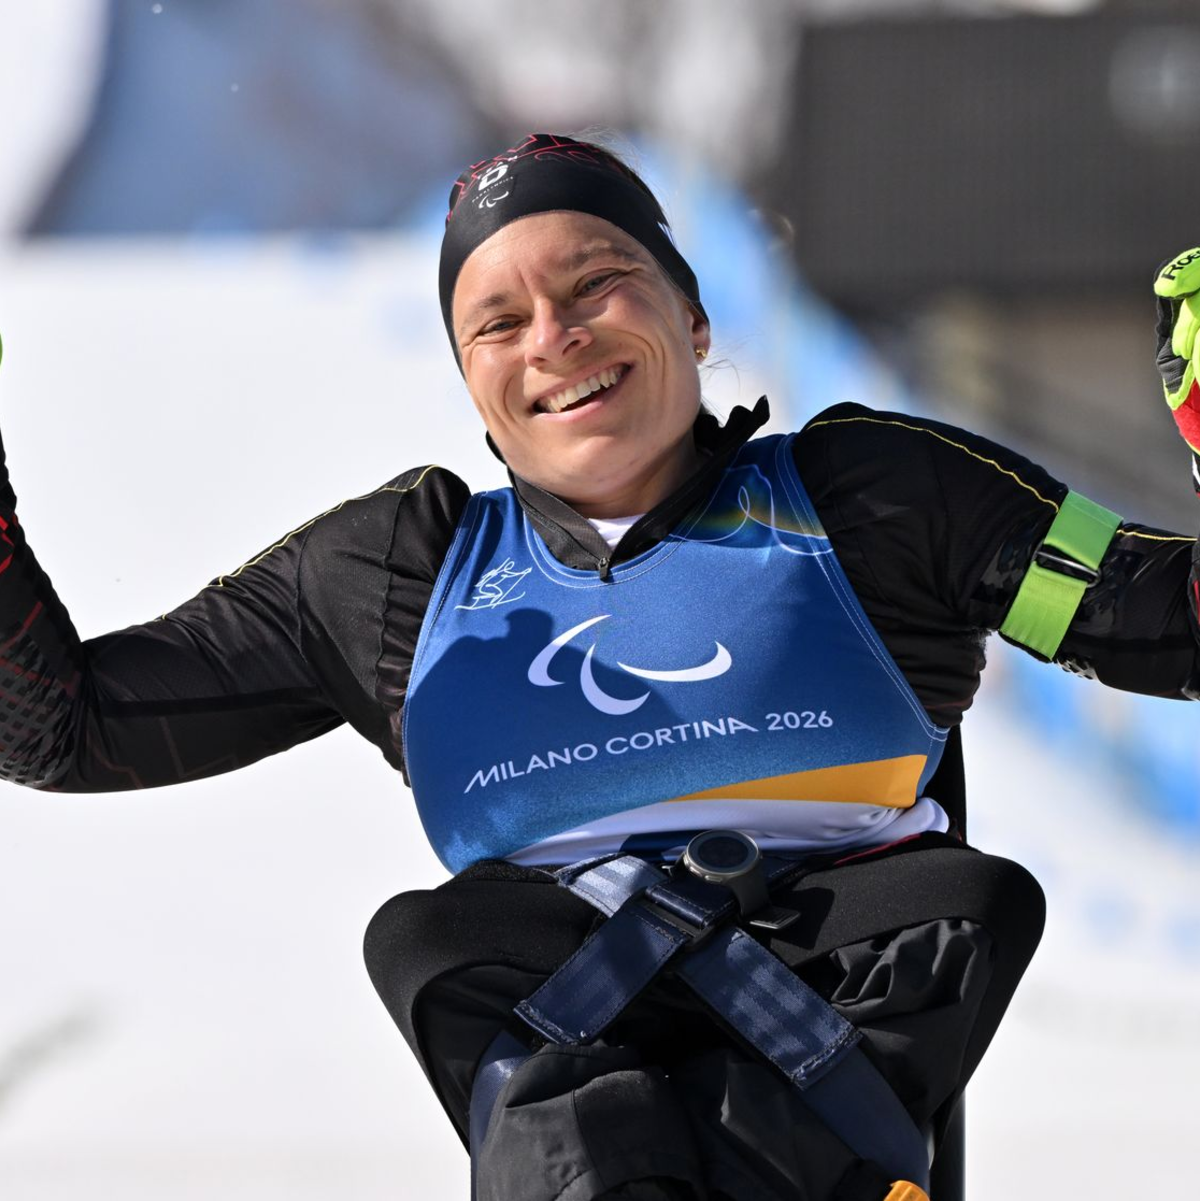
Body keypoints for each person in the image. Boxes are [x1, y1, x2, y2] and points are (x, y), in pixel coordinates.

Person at [0, 132, 1196, 1200]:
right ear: (470, 378)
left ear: (693, 315)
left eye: (597, 283)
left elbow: (1164, 622)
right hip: (564, 1043)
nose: (556, 339)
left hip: (840, 1026)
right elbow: (66, 728)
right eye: (499, 322)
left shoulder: (874, 501)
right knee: (433, 933)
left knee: (966, 900)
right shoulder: (397, 575)